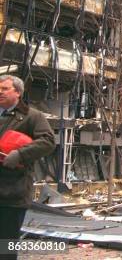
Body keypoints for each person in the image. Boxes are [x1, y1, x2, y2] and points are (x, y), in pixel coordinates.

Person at [0, 75, 55, 258]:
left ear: (18, 92)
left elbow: (48, 141)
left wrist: (20, 154)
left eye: (5, 88)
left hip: (11, 192)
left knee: (5, 246)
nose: (0, 92)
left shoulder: (32, 116)